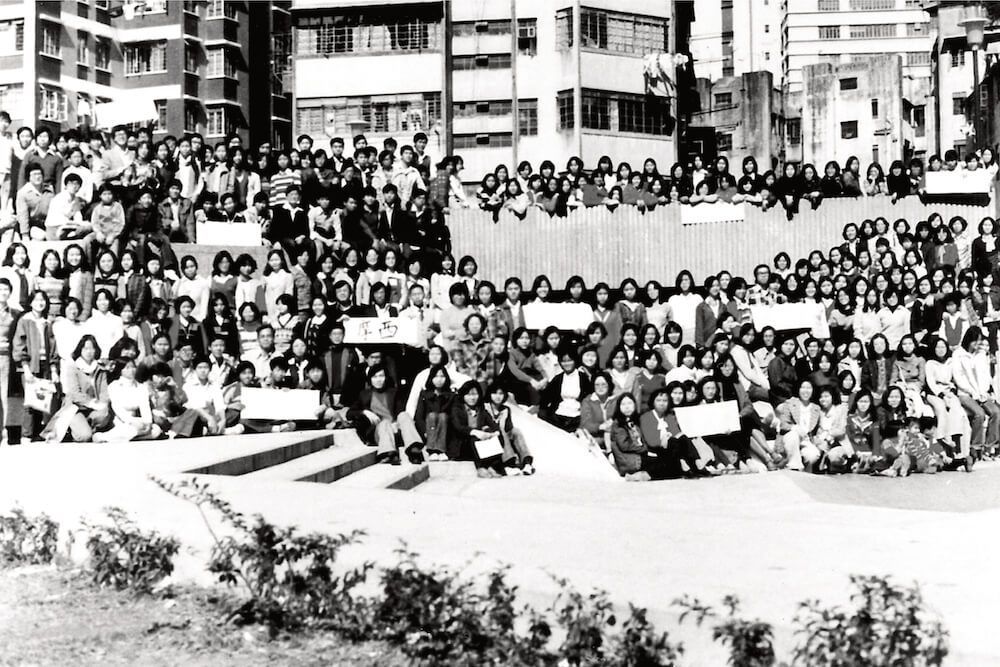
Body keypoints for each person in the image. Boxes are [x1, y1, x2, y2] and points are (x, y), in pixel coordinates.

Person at [347, 363, 424, 465]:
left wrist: (396, 423)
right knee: (385, 423)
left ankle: (414, 449)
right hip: (379, 432)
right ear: (370, 379)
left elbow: (400, 411)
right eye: (375, 377)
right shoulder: (364, 394)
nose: (378, 380)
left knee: (404, 415)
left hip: (395, 429)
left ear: (386, 377)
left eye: (381, 376)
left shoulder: (393, 392)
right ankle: (388, 454)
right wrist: (364, 412)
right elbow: (349, 413)